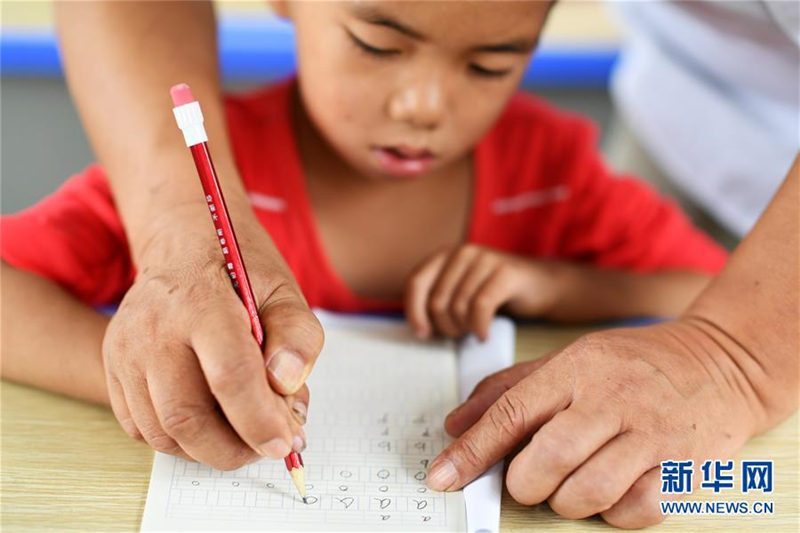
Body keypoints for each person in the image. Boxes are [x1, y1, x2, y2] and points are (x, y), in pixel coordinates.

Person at [2, 0, 726, 494]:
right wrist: (153, 383)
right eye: (379, 45)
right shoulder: (215, 180)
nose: (425, 104)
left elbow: (722, 301)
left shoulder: (549, 176)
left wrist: (556, 285)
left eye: (491, 64)